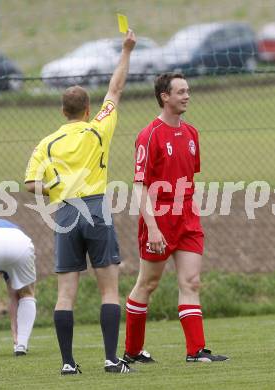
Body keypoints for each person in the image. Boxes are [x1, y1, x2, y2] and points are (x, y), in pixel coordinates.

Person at [25, 30, 136, 374]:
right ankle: (110, 359)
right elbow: (115, 90)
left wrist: (55, 187)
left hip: (66, 212)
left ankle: (69, 364)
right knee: (109, 290)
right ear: (88, 109)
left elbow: (30, 183)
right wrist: (126, 50)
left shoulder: (48, 143)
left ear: (62, 110)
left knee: (65, 293)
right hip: (96, 206)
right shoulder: (97, 128)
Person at [123, 73, 228, 364]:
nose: (186, 96)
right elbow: (140, 186)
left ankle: (196, 351)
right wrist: (154, 229)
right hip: (159, 217)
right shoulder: (149, 135)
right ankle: (132, 351)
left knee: (191, 281)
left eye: (188, 91)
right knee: (148, 283)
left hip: (188, 215)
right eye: (180, 92)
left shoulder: (192, 133)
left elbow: (187, 177)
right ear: (164, 97)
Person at [0, 218, 36, 358]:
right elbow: (14, 295)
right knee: (26, 293)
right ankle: (21, 344)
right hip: (19, 243)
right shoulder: (11, 227)